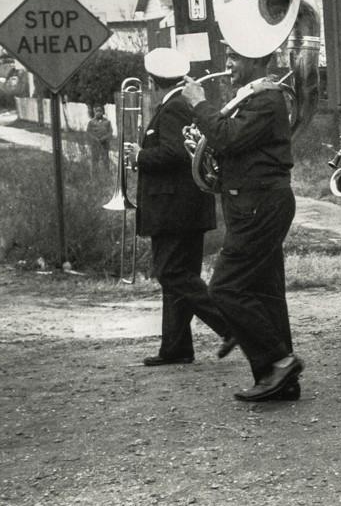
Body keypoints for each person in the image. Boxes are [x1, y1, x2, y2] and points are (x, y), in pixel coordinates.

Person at [181, 38, 303, 402]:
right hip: (252, 202)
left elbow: (227, 138)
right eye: (229, 55)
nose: (229, 63)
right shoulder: (251, 97)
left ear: (257, 59)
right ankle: (278, 380)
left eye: (235, 56)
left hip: (258, 205)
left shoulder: (265, 98)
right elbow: (236, 147)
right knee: (264, 291)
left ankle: (279, 361)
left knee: (225, 289)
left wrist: (199, 105)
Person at [124, 48, 235, 367]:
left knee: (171, 273)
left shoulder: (173, 107)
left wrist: (139, 156)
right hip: (184, 206)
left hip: (174, 207)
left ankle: (230, 326)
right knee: (181, 277)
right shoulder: (181, 104)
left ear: (151, 80)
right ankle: (176, 348)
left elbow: (175, 153)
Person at [86, 104, 113, 172]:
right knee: (95, 160)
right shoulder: (91, 122)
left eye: (100, 111)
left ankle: (106, 174)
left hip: (104, 144)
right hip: (95, 145)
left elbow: (110, 132)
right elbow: (89, 132)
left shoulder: (107, 122)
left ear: (102, 112)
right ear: (94, 112)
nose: (98, 113)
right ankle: (95, 174)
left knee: (105, 160)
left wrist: (104, 138)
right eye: (97, 111)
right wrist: (95, 139)